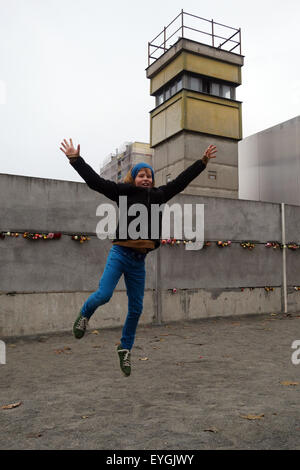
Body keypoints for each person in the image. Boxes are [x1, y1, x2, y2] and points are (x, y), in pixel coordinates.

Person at [60, 138, 217, 376]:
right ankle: (84, 314)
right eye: (141, 175)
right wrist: (76, 160)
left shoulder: (159, 195)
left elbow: (181, 181)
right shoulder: (123, 192)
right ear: (133, 178)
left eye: (149, 175)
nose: (146, 178)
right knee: (103, 295)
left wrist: (202, 163)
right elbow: (96, 182)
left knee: (136, 308)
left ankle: (125, 348)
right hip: (120, 253)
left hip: (138, 261)